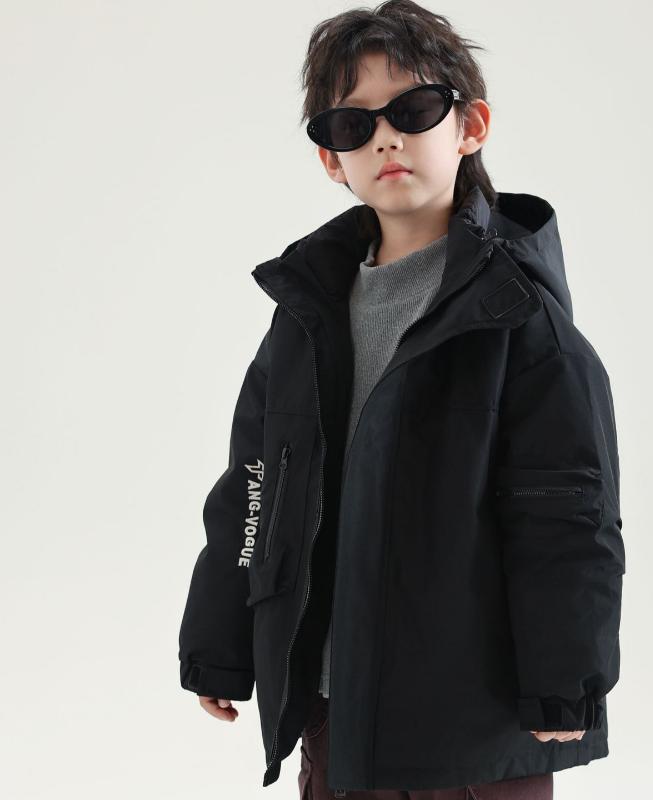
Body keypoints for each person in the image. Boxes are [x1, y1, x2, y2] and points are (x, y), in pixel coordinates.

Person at [178, 1, 625, 797]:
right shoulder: (306, 316)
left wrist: (569, 673)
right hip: (336, 705)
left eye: (414, 110)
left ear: (470, 126)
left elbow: (566, 509)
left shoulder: (516, 318)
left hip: (474, 718)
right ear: (331, 160)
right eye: (353, 124)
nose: (385, 138)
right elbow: (254, 485)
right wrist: (221, 637)